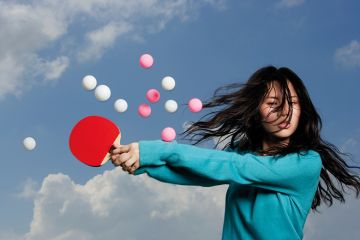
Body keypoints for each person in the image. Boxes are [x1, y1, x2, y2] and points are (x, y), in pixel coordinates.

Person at [110, 66, 360, 240]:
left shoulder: (305, 162)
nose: (285, 113)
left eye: (292, 103)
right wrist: (142, 164)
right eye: (273, 104)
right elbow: (202, 174)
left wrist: (154, 150)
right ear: (256, 110)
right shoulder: (242, 150)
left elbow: (235, 167)